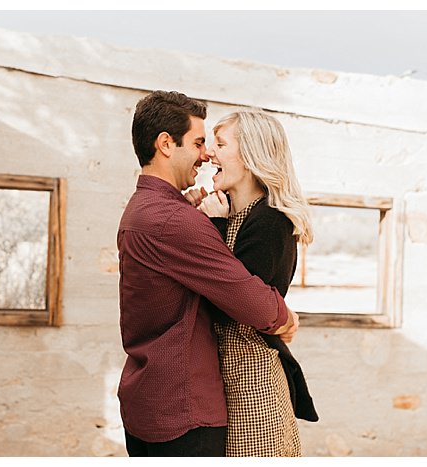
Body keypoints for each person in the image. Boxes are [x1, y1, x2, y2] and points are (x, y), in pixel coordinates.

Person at [117, 91, 299, 457]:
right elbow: (252, 302)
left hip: (157, 397)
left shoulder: (146, 210)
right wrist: (286, 317)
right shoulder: (175, 220)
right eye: (200, 142)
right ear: (166, 144)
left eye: (215, 143)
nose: (206, 154)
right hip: (183, 408)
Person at [185, 110, 319, 457]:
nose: (209, 154)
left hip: (251, 386)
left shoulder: (270, 221)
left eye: (221, 144)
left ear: (251, 156)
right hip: (230, 381)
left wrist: (212, 226)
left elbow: (230, 301)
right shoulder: (235, 215)